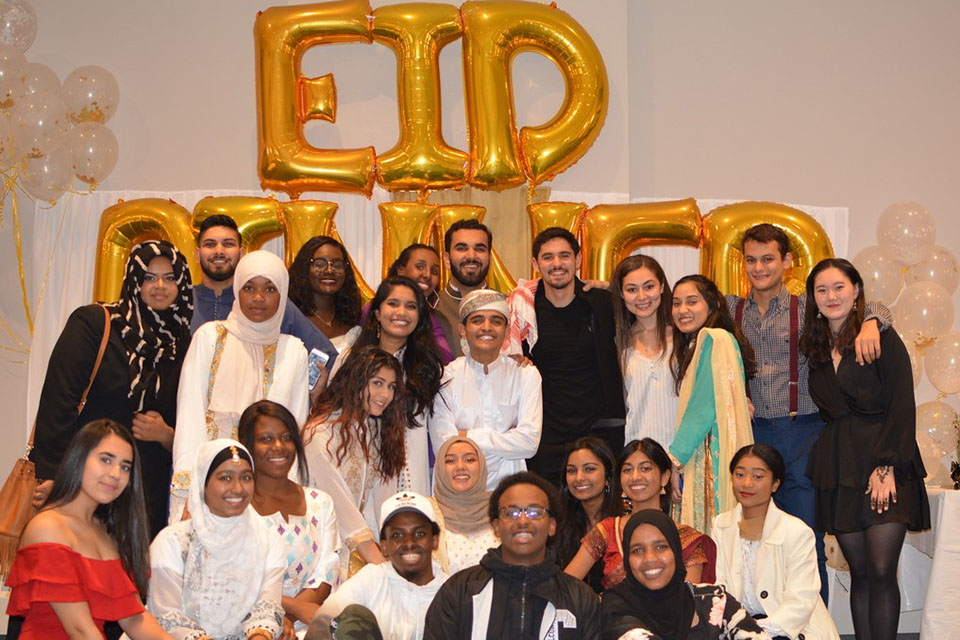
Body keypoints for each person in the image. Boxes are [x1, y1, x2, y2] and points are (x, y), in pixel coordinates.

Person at [727, 223, 892, 604]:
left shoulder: (808, 307)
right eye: (751, 260)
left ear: (786, 261)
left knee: (804, 538)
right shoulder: (731, 308)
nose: (759, 268)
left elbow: (877, 306)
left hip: (804, 435)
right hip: (751, 438)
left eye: (768, 259)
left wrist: (871, 322)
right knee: (754, 544)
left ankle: (814, 628)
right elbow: (680, 307)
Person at [800, 258, 930, 640]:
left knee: (881, 571)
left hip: (884, 462)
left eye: (839, 287)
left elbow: (902, 404)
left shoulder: (882, 338)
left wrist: (887, 466)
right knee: (858, 574)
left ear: (856, 290)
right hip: (839, 466)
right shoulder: (817, 349)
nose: (831, 296)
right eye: (821, 290)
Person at [31, 240, 193, 537]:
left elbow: (190, 417)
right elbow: (59, 400)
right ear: (133, 280)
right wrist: (54, 475)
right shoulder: (95, 323)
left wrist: (168, 435)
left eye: (170, 278)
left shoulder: (182, 343)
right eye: (148, 277)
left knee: (130, 576)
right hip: (85, 479)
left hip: (146, 489)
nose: (160, 286)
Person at [171, 251, 310, 522]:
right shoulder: (209, 337)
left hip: (268, 490)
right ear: (237, 290)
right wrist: (191, 488)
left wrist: (289, 493)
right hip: (209, 482)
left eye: (270, 289)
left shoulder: (294, 351)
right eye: (249, 288)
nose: (258, 298)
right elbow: (190, 415)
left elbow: (296, 424)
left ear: (283, 295)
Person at [5, 420, 172, 640]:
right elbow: (80, 630)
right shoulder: (48, 527)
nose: (115, 473)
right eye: (106, 459)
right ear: (79, 459)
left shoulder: (106, 532)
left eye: (125, 466)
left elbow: (134, 618)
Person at [504, 227, 625, 485]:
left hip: (598, 433)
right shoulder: (523, 309)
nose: (557, 264)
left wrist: (616, 289)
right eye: (548, 257)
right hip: (545, 437)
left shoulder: (603, 302)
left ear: (578, 260)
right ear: (536, 263)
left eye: (564, 256)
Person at [423, 472, 601, 639]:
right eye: (511, 513)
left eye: (535, 512)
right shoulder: (460, 590)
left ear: (552, 526)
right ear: (496, 527)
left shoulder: (580, 598)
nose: (523, 521)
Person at [148, 439, 285, 640]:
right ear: (203, 483)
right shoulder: (173, 542)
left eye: (246, 477)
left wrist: (260, 636)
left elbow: (266, 607)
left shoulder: (268, 538)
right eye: (225, 478)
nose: (238, 488)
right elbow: (167, 617)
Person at [712, 444, 839, 640]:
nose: (746, 484)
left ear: (775, 484)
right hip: (737, 628)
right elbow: (719, 586)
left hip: (791, 630)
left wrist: (754, 630)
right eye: (739, 475)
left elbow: (800, 602)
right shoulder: (720, 526)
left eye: (758, 476)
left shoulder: (797, 532)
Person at [238, 400, 341, 636]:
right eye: (266, 439)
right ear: (247, 446)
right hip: (246, 622)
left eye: (286, 437)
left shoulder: (320, 502)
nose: (279, 446)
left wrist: (291, 617)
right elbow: (235, 579)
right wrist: (282, 611)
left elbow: (327, 570)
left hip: (308, 623)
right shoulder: (236, 506)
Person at [337, 276, 445, 495]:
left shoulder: (427, 366)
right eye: (393, 304)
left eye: (411, 306)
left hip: (412, 474)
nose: (402, 312)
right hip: (361, 472)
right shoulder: (351, 357)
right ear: (377, 312)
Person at [302, 345, 407, 565]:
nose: (385, 395)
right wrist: (376, 560)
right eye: (377, 383)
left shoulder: (376, 431)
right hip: (321, 543)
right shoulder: (320, 433)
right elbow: (339, 504)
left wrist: (392, 547)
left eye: (391, 387)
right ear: (355, 382)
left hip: (361, 546)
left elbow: (382, 503)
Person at [566, 438, 715, 590]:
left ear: (665, 477)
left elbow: (690, 601)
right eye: (627, 470)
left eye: (645, 468)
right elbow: (565, 587)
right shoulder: (608, 530)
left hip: (669, 614)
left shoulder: (687, 539)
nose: (635, 477)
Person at [429, 289, 541, 489]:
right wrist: (507, 439)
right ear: (462, 329)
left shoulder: (525, 375)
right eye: (477, 320)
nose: (487, 327)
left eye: (496, 321)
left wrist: (466, 436)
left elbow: (529, 443)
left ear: (507, 331)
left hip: (509, 489)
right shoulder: (446, 377)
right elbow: (444, 446)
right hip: (459, 492)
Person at [669, 274, 756, 533]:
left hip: (707, 455)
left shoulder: (713, 339)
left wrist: (675, 460)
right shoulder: (703, 343)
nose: (682, 310)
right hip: (705, 450)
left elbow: (702, 409)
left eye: (692, 302)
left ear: (712, 304)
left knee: (705, 540)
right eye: (676, 303)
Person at [190, 214, 337, 363]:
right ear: (197, 254)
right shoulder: (183, 303)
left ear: (241, 254)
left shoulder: (271, 304)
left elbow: (326, 355)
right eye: (210, 244)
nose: (219, 251)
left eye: (228, 244)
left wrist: (306, 385)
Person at [601, 510, 769, 640]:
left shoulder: (716, 600)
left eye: (661, 547)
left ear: (675, 550)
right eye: (637, 550)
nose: (650, 559)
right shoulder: (616, 607)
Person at [311, 492, 448, 640]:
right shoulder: (372, 578)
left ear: (434, 540)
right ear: (384, 547)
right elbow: (323, 622)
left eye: (419, 533)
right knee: (354, 616)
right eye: (397, 536)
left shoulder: (450, 591)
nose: (409, 543)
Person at [610, 254, 678, 448]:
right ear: (622, 294)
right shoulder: (619, 343)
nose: (642, 297)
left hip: (683, 452)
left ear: (662, 286)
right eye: (632, 289)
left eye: (649, 287)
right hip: (638, 452)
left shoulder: (685, 336)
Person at [556, 437, 623, 593]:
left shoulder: (623, 523)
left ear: (608, 478)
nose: (579, 477)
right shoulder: (560, 523)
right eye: (571, 471)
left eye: (589, 469)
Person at [430, 436, 497, 574]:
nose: (460, 467)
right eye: (450, 461)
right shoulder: (426, 512)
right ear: (440, 468)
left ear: (482, 466)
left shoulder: (501, 510)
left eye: (469, 459)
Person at [377, 243, 454, 364]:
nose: (427, 275)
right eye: (420, 267)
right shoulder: (377, 307)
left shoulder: (434, 318)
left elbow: (446, 361)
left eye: (434, 271)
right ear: (401, 271)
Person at [288, 235, 362, 351]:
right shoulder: (292, 317)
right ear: (304, 268)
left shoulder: (353, 317)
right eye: (319, 264)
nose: (329, 271)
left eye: (337, 265)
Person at [435, 219, 494, 358]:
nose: (471, 256)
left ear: (490, 258)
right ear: (447, 259)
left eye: (480, 249)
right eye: (462, 248)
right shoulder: (430, 309)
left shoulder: (510, 307)